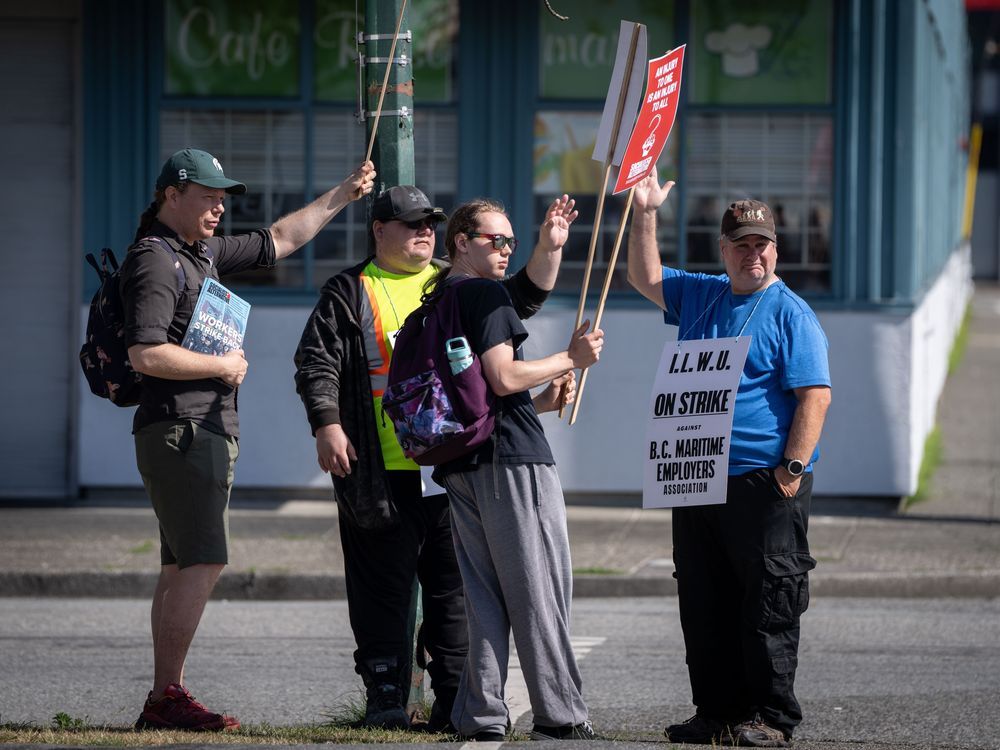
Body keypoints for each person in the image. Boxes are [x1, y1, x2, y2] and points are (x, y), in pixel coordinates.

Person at [293, 186, 579, 731]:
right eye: (410, 223)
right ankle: (385, 698)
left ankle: (454, 700)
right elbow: (316, 361)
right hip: (379, 466)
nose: (424, 231)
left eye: (430, 223)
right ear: (379, 230)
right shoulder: (351, 289)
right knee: (383, 584)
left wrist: (549, 244)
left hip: (453, 465)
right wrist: (327, 424)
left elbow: (521, 295)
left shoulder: (454, 284)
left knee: (455, 590)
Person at [121, 148, 375, 731]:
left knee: (178, 565)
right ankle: (166, 696)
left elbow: (280, 238)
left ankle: (165, 694)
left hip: (192, 428)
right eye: (207, 196)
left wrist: (343, 194)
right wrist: (221, 369)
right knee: (203, 559)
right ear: (171, 195)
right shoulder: (157, 262)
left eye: (222, 197)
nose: (218, 206)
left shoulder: (200, 252)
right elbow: (146, 352)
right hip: (183, 428)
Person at [627, 173, 832, 748]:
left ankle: (770, 717)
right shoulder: (703, 293)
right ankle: (717, 712)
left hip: (762, 482)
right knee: (703, 598)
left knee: (768, 601)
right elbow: (643, 276)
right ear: (723, 251)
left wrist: (790, 471)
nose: (752, 254)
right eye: (740, 245)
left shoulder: (790, 313)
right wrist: (646, 213)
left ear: (776, 249)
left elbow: (815, 395)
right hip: (695, 476)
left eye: (761, 244)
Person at [430, 198, 603, 742]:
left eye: (510, 241)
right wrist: (570, 358)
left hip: (463, 463)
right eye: (495, 241)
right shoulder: (481, 294)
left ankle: (479, 715)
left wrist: (545, 401)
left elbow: (480, 390)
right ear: (462, 241)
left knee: (483, 597)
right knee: (540, 588)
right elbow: (503, 378)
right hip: (512, 464)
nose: (506, 250)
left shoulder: (440, 298)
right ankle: (561, 713)